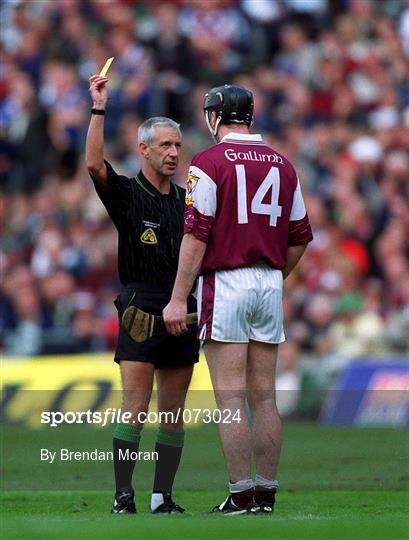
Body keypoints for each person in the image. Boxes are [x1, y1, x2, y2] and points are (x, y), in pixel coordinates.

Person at [163, 84, 313, 515]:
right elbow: (301, 236)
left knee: (230, 398)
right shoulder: (283, 164)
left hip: (225, 282)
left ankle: (241, 493)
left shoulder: (207, 163)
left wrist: (177, 298)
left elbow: (196, 234)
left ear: (215, 116)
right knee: (264, 396)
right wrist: (273, 274)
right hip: (269, 281)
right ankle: (266, 493)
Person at [85, 73, 199, 514]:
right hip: (141, 304)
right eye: (165, 145)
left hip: (182, 306)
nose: (173, 153)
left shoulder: (188, 201)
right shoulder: (130, 194)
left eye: (177, 145)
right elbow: (95, 166)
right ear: (144, 149)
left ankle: (162, 497)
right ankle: (123, 496)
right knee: (135, 407)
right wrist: (99, 108)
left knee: (172, 412)